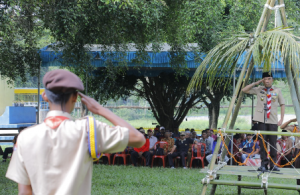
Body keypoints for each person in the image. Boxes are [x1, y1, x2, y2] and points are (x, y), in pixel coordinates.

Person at [5, 69, 145, 195]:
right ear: (75, 97)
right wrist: (100, 109)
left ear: (44, 96)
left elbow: (24, 192)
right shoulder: (89, 129)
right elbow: (138, 138)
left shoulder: (24, 137)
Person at [242, 72, 285, 172]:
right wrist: (256, 83)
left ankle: (273, 164)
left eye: (269, 79)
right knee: (263, 143)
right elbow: (244, 90)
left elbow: (282, 104)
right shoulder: (259, 89)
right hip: (262, 120)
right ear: (263, 80)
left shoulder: (277, 90)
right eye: (265, 79)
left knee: (273, 143)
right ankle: (263, 165)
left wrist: (282, 119)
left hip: (273, 120)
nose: (267, 81)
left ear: (272, 80)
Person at [280, 118, 300, 187]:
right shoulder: (296, 128)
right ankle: (298, 187)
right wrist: (291, 120)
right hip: (298, 150)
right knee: (297, 170)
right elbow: (282, 127)